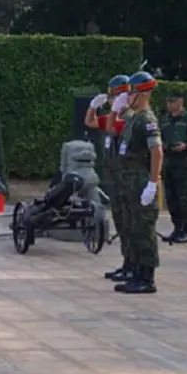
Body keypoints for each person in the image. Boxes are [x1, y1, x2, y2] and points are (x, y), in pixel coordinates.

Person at [113, 71, 164, 294]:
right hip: (130, 182)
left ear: (142, 94)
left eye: (131, 92)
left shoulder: (148, 120)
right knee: (133, 229)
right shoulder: (135, 117)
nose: (128, 96)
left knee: (144, 230)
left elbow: (157, 152)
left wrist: (152, 183)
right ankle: (136, 272)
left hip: (142, 181)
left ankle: (147, 278)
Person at [85, 75, 132, 282]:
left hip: (127, 177)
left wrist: (114, 111)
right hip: (114, 176)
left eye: (115, 97)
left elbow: (113, 127)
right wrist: (92, 107)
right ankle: (126, 264)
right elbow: (90, 122)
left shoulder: (129, 119)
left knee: (130, 225)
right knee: (121, 225)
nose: (112, 101)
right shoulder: (115, 117)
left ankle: (133, 266)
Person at [159, 90, 187, 244]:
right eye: (168, 102)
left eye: (172, 102)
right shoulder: (164, 119)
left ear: (180, 102)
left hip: (183, 164)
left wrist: (186, 146)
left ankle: (186, 230)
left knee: (183, 198)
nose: (169, 105)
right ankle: (176, 228)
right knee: (171, 198)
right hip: (168, 162)